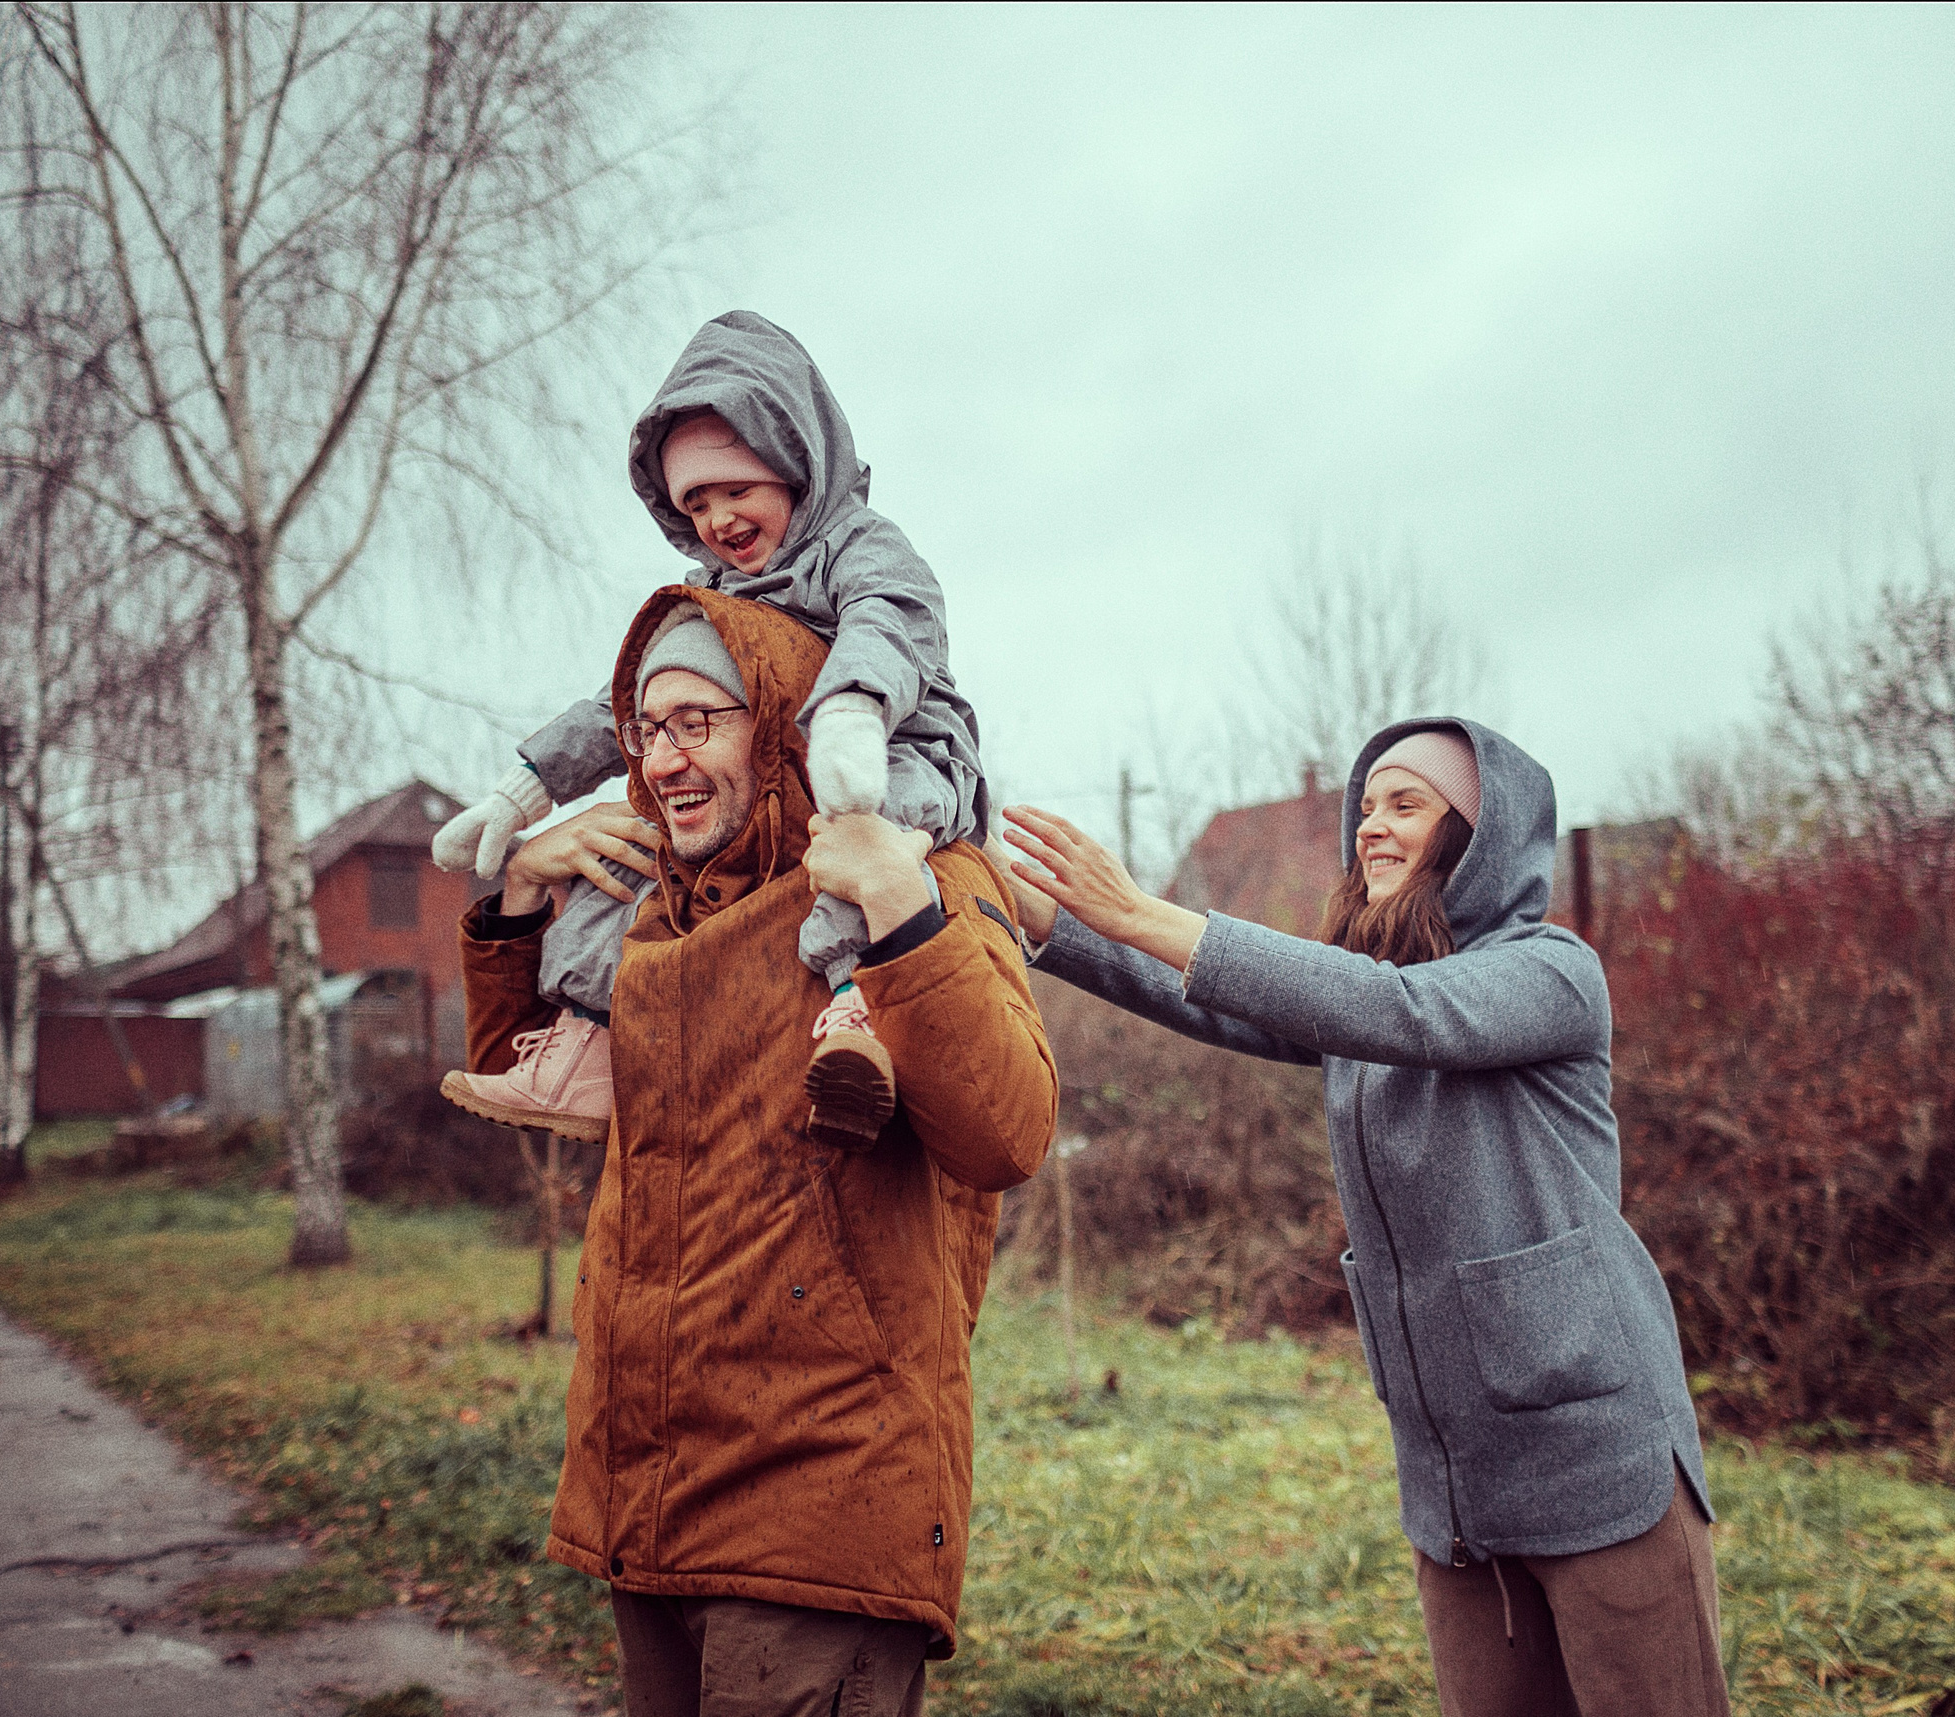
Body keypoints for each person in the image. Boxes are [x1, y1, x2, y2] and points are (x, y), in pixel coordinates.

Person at [999, 718, 1730, 1717]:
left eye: (1405, 804)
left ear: (1477, 837)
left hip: (1600, 1465)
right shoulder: (1358, 1000)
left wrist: (1138, 908)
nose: (1369, 828)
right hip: (1457, 1488)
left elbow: (1395, 1010)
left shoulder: (1551, 973)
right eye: (1365, 807)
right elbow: (1210, 995)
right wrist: (1023, 903)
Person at [456, 587, 1056, 1717]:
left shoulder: (919, 875)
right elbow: (524, 1082)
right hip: (649, 1492)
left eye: (701, 722)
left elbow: (1006, 1132)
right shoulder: (653, 911)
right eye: (646, 728)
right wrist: (521, 897)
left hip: (820, 1503)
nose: (665, 760)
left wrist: (906, 915)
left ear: (785, 724)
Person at [435, 310, 986, 1151]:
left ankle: (857, 1006)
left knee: (863, 842)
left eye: (738, 488)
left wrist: (849, 714)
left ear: (798, 468)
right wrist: (522, 793)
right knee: (630, 847)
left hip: (895, 742)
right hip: (769, 775)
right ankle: (584, 1041)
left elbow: (890, 620)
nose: (719, 517)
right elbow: (611, 706)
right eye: (696, 500)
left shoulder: (859, 549)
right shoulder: (712, 594)